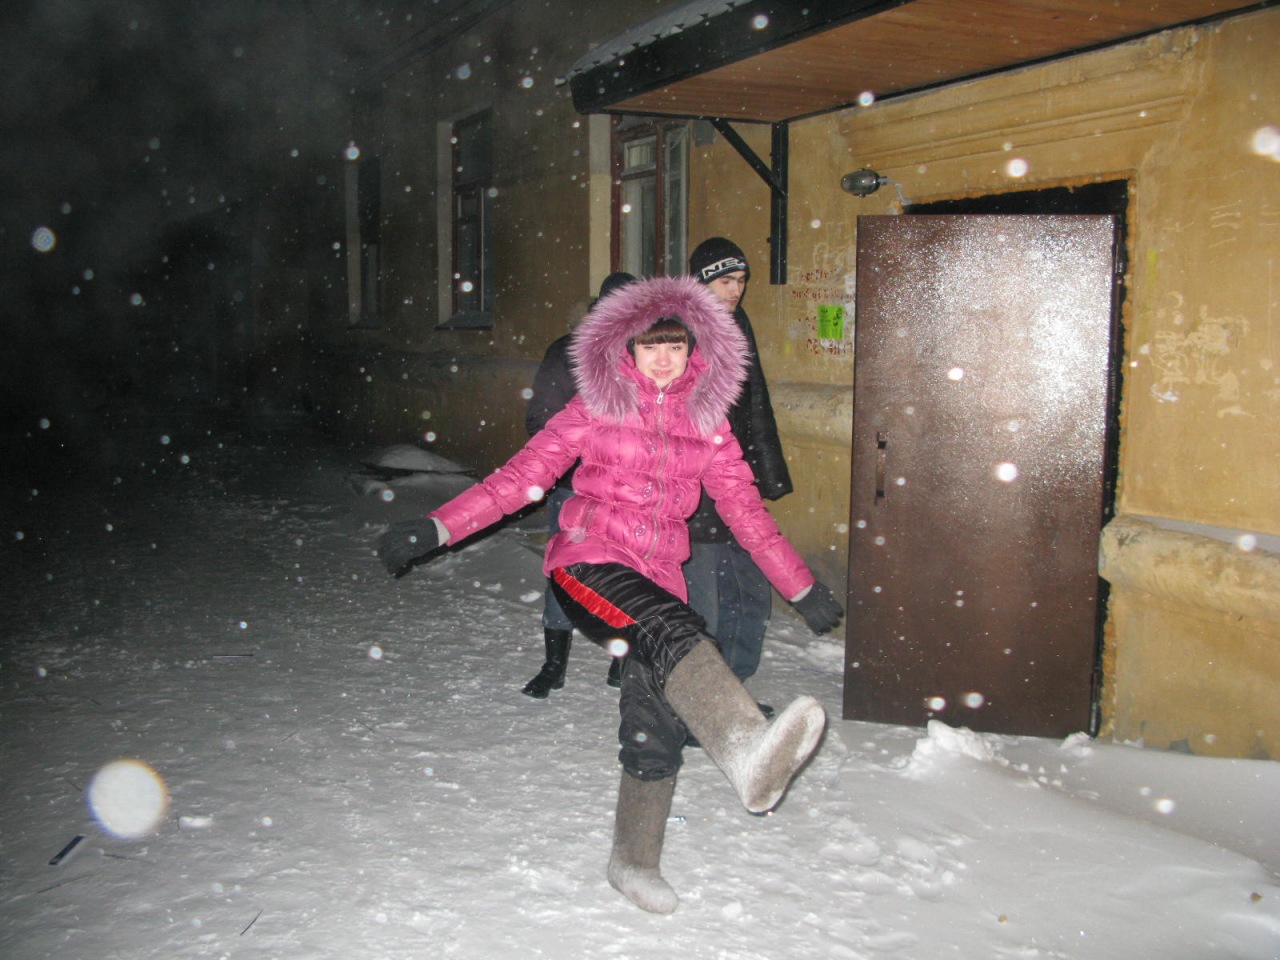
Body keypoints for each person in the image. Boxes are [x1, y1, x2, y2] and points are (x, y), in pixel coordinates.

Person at [375, 276, 842, 915]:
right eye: (650, 345)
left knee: (655, 719)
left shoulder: (708, 424)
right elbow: (520, 479)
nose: (663, 359)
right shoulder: (595, 408)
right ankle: (741, 742)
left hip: (659, 579)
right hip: (589, 562)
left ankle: (634, 861)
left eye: (675, 345)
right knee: (680, 631)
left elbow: (747, 514)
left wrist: (801, 586)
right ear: (626, 347)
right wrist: (437, 527)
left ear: (695, 350)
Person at [521, 272, 637, 698]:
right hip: (577, 487)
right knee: (565, 570)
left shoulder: (647, 355)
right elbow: (542, 420)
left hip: (631, 489)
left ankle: (622, 657)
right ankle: (554, 664)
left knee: (627, 571)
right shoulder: (569, 352)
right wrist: (586, 459)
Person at [684, 237, 792, 683]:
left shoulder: (737, 323)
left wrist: (768, 473)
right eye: (725, 281)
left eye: (741, 280)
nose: (736, 290)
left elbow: (755, 402)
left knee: (750, 597)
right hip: (695, 495)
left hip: (735, 487)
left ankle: (732, 688)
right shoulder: (679, 331)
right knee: (702, 608)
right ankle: (700, 700)